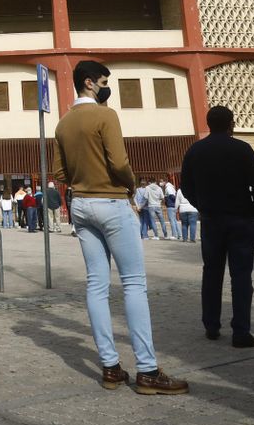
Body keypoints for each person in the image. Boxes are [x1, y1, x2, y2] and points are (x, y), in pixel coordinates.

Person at [53, 60, 188, 395]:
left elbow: (59, 173)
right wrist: (130, 185)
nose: (106, 87)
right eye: (103, 81)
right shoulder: (105, 116)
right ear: (88, 83)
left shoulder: (63, 124)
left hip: (81, 205)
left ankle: (110, 367)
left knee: (96, 285)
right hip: (112, 202)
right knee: (133, 284)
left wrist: (82, 178)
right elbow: (119, 163)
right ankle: (147, 370)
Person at [179, 105, 254, 348]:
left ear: (209, 124)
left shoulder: (195, 151)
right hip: (240, 220)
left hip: (211, 220)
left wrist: (203, 205)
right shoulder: (242, 149)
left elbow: (185, 186)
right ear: (231, 124)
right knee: (241, 276)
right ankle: (241, 331)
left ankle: (211, 325)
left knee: (211, 273)